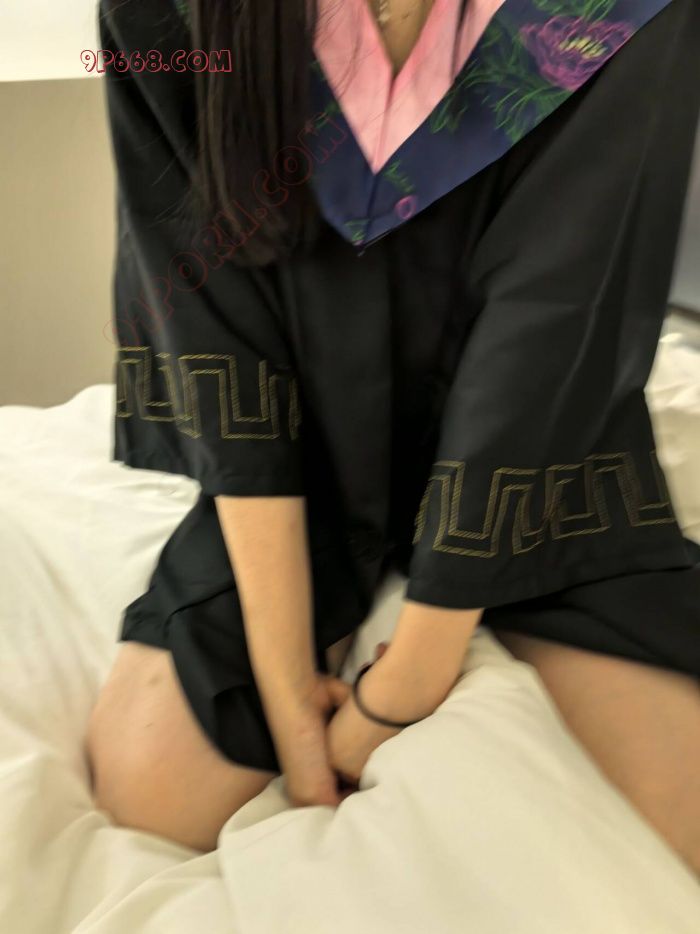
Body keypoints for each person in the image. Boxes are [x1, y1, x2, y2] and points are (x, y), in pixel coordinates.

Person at [87, 0, 700, 870]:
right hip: (309, 454)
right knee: (147, 792)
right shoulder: (172, 13)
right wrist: (287, 684)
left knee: (686, 809)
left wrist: (403, 686)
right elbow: (205, 307)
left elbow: (557, 310)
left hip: (541, 463)